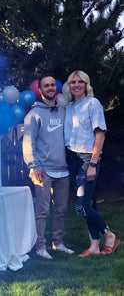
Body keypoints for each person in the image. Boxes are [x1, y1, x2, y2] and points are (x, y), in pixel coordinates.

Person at [64, 70, 120, 257]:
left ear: (86, 85)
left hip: (87, 158)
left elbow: (100, 135)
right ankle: (94, 246)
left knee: (81, 206)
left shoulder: (92, 103)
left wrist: (93, 164)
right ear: (69, 85)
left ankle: (109, 235)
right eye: (73, 82)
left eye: (81, 82)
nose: (77, 85)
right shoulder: (70, 106)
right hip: (72, 157)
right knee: (90, 204)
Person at [22, 74, 74, 259]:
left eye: (53, 85)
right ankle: (40, 246)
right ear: (40, 90)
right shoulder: (34, 114)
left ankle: (58, 243)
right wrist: (34, 166)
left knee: (61, 209)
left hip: (63, 170)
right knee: (42, 210)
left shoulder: (64, 111)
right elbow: (28, 143)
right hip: (42, 170)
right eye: (47, 85)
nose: (50, 88)